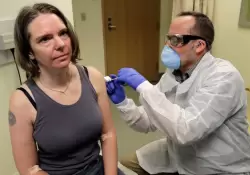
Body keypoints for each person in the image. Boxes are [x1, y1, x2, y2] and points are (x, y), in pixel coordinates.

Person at [106, 11, 250, 175]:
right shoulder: (173, 72)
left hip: (218, 165)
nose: (167, 46)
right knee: (123, 165)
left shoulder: (223, 77)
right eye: (168, 39)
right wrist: (123, 103)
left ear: (199, 45)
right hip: (178, 154)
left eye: (176, 40)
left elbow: (187, 130)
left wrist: (144, 87)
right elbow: (148, 121)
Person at [8, 3, 124, 175]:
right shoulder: (22, 101)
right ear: (30, 52)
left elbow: (107, 134)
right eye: (45, 39)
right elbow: (30, 169)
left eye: (63, 33)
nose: (61, 44)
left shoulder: (93, 77)